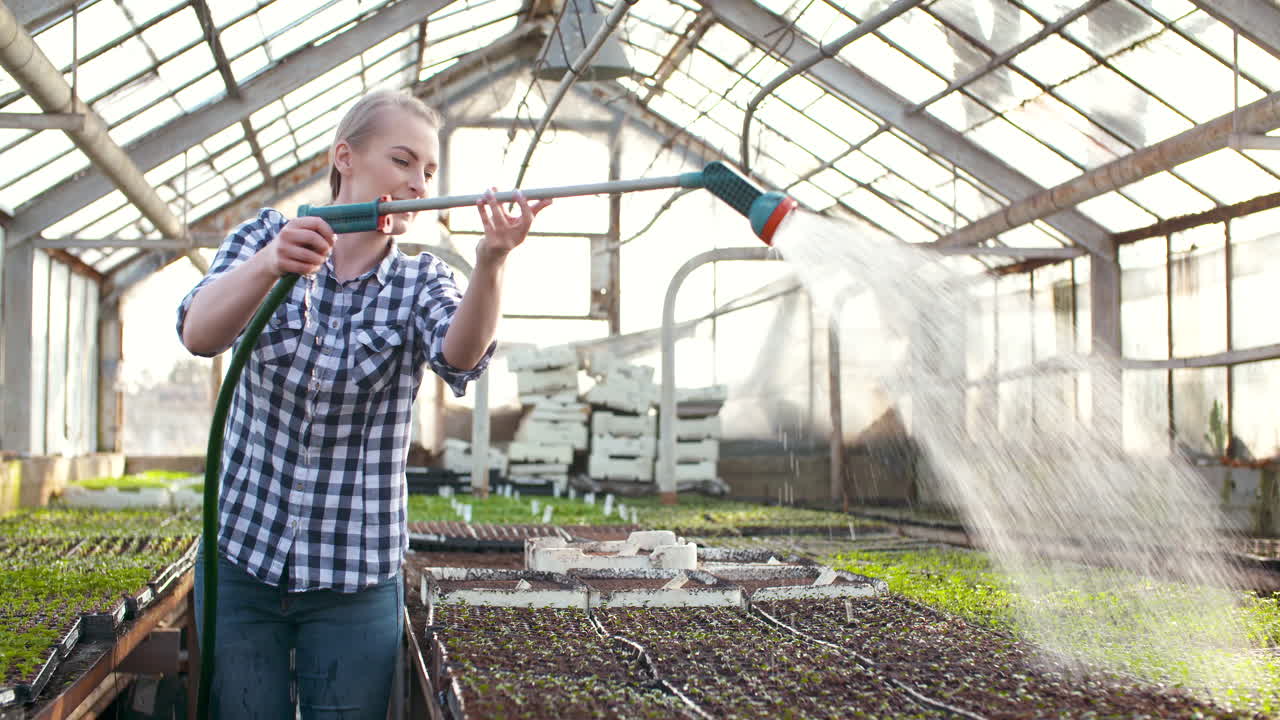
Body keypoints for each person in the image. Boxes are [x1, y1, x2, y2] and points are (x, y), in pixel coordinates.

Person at [177, 88, 550, 719]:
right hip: (241, 559)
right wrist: (270, 265)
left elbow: (460, 356)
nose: (417, 183)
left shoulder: (420, 280)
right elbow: (199, 333)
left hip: (354, 575)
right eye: (402, 161)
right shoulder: (268, 237)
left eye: (428, 171)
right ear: (344, 157)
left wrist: (490, 264)